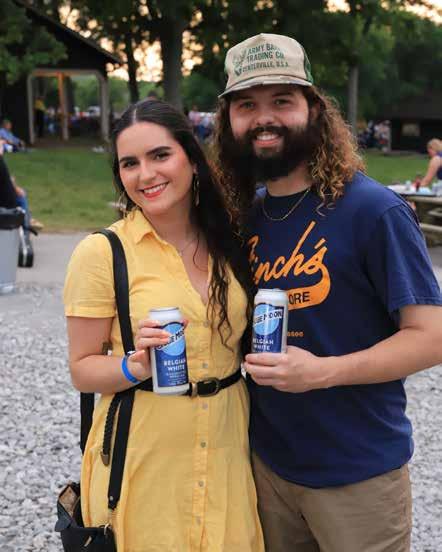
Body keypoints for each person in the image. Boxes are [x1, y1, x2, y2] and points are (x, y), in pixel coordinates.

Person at [213, 33, 442, 552]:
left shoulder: (373, 211)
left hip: (358, 475)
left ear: (314, 110)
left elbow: (431, 337)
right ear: (228, 120)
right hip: (266, 468)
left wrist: (324, 372)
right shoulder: (243, 216)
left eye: (282, 101)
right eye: (246, 105)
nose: (264, 118)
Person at [63, 99, 264, 552]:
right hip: (145, 453)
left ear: (191, 159)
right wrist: (133, 366)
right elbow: (82, 368)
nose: (146, 174)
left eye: (160, 155)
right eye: (129, 163)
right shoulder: (102, 253)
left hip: (228, 445)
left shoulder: (230, 242)